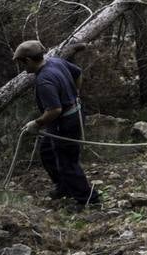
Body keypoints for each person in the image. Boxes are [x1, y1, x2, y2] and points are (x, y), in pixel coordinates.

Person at [13, 40, 101, 207]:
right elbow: (78, 73)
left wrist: (37, 124)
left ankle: (89, 199)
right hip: (69, 117)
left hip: (66, 122)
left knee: (67, 162)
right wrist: (75, 92)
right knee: (47, 152)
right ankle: (64, 186)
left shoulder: (44, 80)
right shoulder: (55, 61)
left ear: (28, 61)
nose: (21, 68)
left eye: (21, 63)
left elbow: (54, 110)